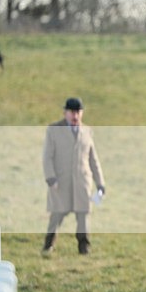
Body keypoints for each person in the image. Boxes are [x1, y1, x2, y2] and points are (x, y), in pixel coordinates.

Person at [41, 97, 105, 256]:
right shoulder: (53, 130)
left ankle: (84, 246)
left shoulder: (87, 131)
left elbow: (93, 159)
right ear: (65, 113)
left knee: (83, 215)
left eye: (78, 112)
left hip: (82, 181)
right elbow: (47, 157)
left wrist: (100, 184)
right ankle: (49, 244)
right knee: (57, 214)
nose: (75, 116)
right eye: (72, 112)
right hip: (61, 181)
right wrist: (51, 178)